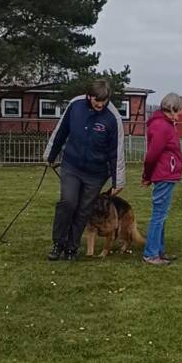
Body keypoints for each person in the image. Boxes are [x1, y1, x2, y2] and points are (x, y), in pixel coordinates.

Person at [43, 79, 125, 260]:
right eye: (97, 100)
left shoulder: (113, 118)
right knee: (68, 202)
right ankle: (58, 243)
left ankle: (72, 247)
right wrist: (50, 155)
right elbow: (61, 131)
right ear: (89, 96)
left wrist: (118, 180)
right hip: (71, 165)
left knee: (84, 210)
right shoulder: (75, 105)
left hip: (96, 173)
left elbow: (116, 151)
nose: (100, 104)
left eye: (104, 101)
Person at [141, 92, 182, 266]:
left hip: (166, 174)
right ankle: (151, 253)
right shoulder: (162, 126)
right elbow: (152, 154)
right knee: (158, 215)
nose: (181, 114)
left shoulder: (165, 124)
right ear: (172, 109)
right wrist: (147, 175)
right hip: (164, 174)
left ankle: (157, 250)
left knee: (161, 215)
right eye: (180, 110)